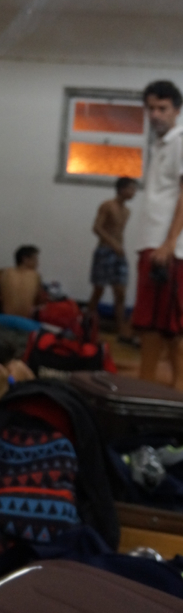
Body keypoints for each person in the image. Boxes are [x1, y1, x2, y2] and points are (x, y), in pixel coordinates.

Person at [132, 80, 183, 388]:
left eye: (162, 108)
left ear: (176, 110)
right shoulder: (160, 145)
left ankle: (154, 390)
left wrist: (169, 242)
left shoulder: (180, 141)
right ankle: (152, 387)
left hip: (168, 249)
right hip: (153, 244)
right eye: (150, 108)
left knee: (165, 327)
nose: (155, 115)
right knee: (158, 325)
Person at [88, 176, 138, 344]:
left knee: (120, 292)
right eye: (131, 189)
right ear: (121, 189)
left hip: (119, 254)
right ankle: (86, 326)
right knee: (99, 290)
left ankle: (121, 330)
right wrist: (113, 244)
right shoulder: (107, 205)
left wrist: (118, 247)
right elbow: (96, 228)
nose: (133, 192)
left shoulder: (127, 211)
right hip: (104, 251)